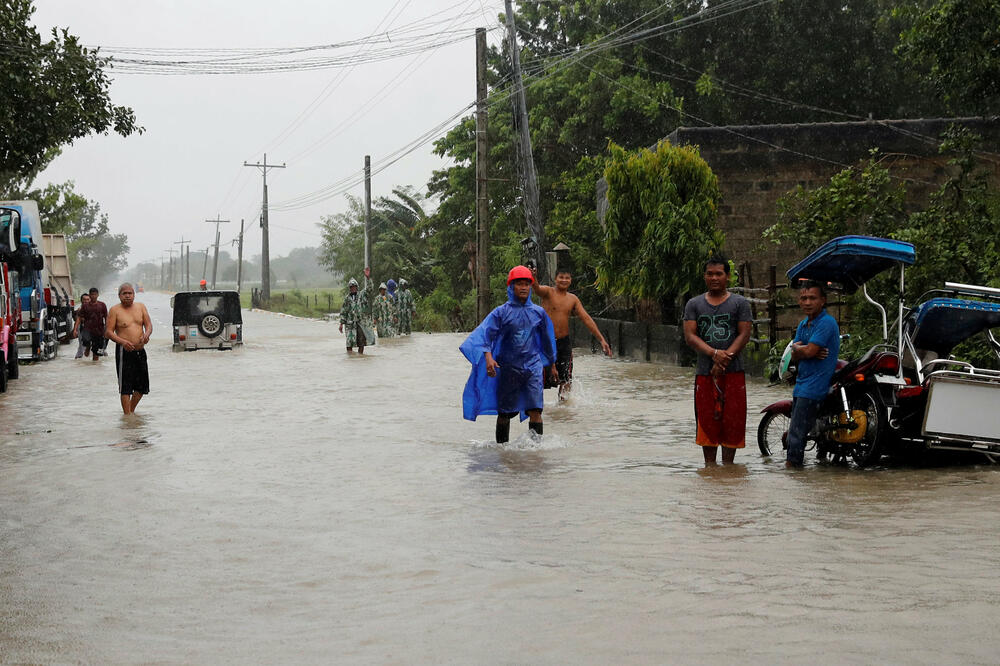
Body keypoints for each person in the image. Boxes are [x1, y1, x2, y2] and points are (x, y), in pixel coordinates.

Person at [460, 265, 558, 443]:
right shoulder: (501, 312)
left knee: (536, 409)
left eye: (527, 284)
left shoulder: (539, 313)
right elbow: (485, 336)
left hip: (533, 367)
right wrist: (488, 358)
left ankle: (536, 451)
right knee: (505, 412)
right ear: (511, 287)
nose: (523, 288)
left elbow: (547, 341)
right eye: (519, 284)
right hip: (508, 368)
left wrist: (552, 364)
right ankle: (502, 450)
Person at [683, 256, 753, 464]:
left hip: (734, 372)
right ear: (704, 277)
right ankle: (711, 470)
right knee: (707, 423)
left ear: (727, 277)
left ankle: (728, 470)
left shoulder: (740, 303)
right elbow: (690, 337)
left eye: (719, 274)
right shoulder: (694, 304)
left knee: (733, 422)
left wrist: (723, 359)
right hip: (705, 373)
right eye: (710, 274)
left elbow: (744, 335)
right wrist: (714, 354)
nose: (714, 278)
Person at [530, 266, 613, 399]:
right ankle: (537, 411)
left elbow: (586, 318)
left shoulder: (573, 299)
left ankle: (563, 411)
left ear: (571, 280)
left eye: (567, 278)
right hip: (546, 342)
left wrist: (602, 340)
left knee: (566, 379)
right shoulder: (548, 292)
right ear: (555, 279)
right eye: (561, 277)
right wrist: (533, 277)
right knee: (539, 378)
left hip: (564, 343)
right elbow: (537, 288)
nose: (564, 280)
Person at [785, 281, 840, 468]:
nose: (807, 302)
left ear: (823, 301)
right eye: (803, 298)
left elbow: (806, 352)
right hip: (802, 382)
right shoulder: (803, 324)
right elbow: (795, 352)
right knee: (802, 429)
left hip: (815, 385)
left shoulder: (826, 323)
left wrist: (803, 350)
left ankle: (792, 468)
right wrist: (801, 349)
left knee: (796, 432)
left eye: (812, 298)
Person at [105, 283, 152, 415]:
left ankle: (130, 412)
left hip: (140, 351)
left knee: (142, 387)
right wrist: (123, 342)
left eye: (129, 293)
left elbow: (148, 325)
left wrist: (146, 335)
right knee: (125, 388)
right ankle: (127, 417)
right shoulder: (115, 310)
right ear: (119, 296)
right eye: (124, 293)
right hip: (124, 352)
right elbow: (108, 332)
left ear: (134, 295)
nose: (127, 296)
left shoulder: (141, 307)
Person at [339, 267, 376, 353]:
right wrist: (341, 324)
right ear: (349, 288)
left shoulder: (362, 294)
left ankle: (360, 356)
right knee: (349, 342)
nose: (353, 288)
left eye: (354, 287)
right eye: (351, 287)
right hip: (350, 324)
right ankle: (350, 356)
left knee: (361, 342)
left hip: (360, 322)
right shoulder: (347, 299)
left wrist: (368, 278)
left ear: (357, 287)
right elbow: (344, 311)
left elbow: (370, 289)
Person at [77, 287, 107, 362]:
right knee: (86, 341)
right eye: (92, 294)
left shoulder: (102, 305)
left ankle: (95, 365)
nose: (93, 296)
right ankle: (88, 347)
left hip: (99, 330)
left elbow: (106, 317)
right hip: (87, 329)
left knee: (96, 352)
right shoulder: (85, 306)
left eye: (95, 294)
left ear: (98, 295)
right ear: (89, 295)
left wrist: (107, 329)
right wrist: (75, 329)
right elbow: (79, 317)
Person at [72, 292, 92, 358]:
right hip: (82, 329)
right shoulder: (79, 310)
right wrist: (75, 330)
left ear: (90, 300)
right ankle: (79, 357)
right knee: (82, 345)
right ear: (81, 301)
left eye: (87, 299)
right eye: (84, 299)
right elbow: (77, 320)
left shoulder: (95, 308)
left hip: (94, 330)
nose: (86, 301)